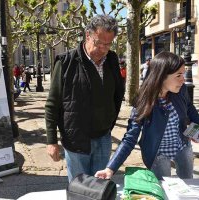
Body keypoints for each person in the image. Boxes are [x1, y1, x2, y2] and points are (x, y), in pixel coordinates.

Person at [95, 51, 199, 180]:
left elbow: (189, 108)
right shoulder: (143, 102)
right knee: (163, 189)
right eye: (178, 75)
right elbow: (129, 138)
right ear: (161, 76)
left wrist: (196, 129)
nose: (183, 80)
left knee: (188, 182)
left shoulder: (180, 90)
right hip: (157, 153)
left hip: (182, 145)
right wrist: (110, 168)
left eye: (183, 74)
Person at [45, 15, 125, 182]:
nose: (103, 49)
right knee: (79, 189)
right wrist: (51, 141)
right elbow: (53, 104)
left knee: (99, 187)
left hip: (103, 137)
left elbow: (117, 95)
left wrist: (109, 122)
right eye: (99, 43)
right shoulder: (66, 62)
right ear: (88, 35)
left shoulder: (112, 59)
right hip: (76, 139)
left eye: (108, 44)